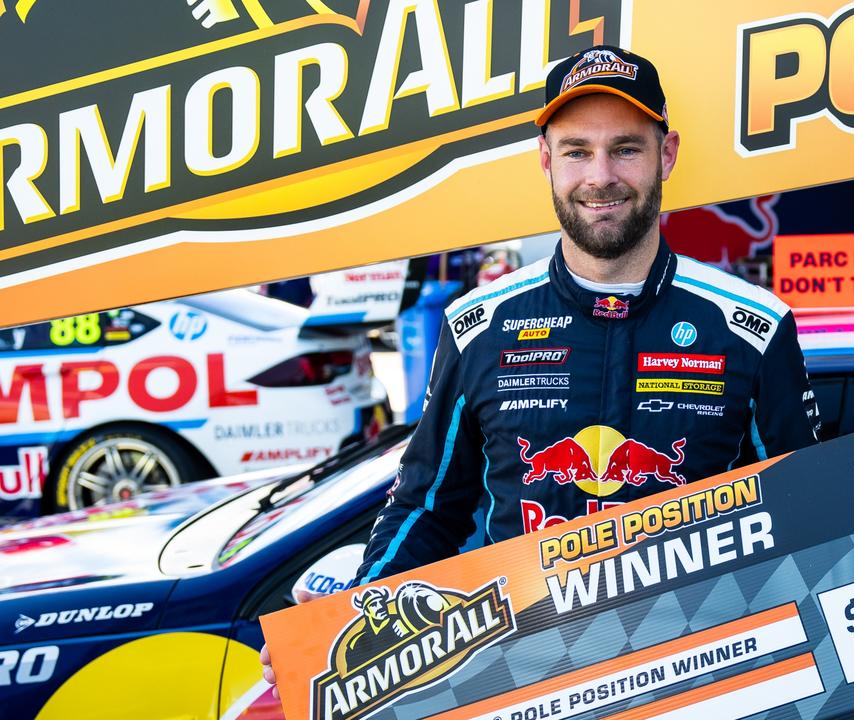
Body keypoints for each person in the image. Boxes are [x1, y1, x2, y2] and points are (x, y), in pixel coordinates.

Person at [262, 43, 819, 693]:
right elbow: (427, 507)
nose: (600, 175)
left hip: (699, 678)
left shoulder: (752, 327)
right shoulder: (480, 325)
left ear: (666, 154)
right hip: (524, 680)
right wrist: (342, 631)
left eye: (626, 148)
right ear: (546, 159)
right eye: (578, 150)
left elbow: (802, 516)